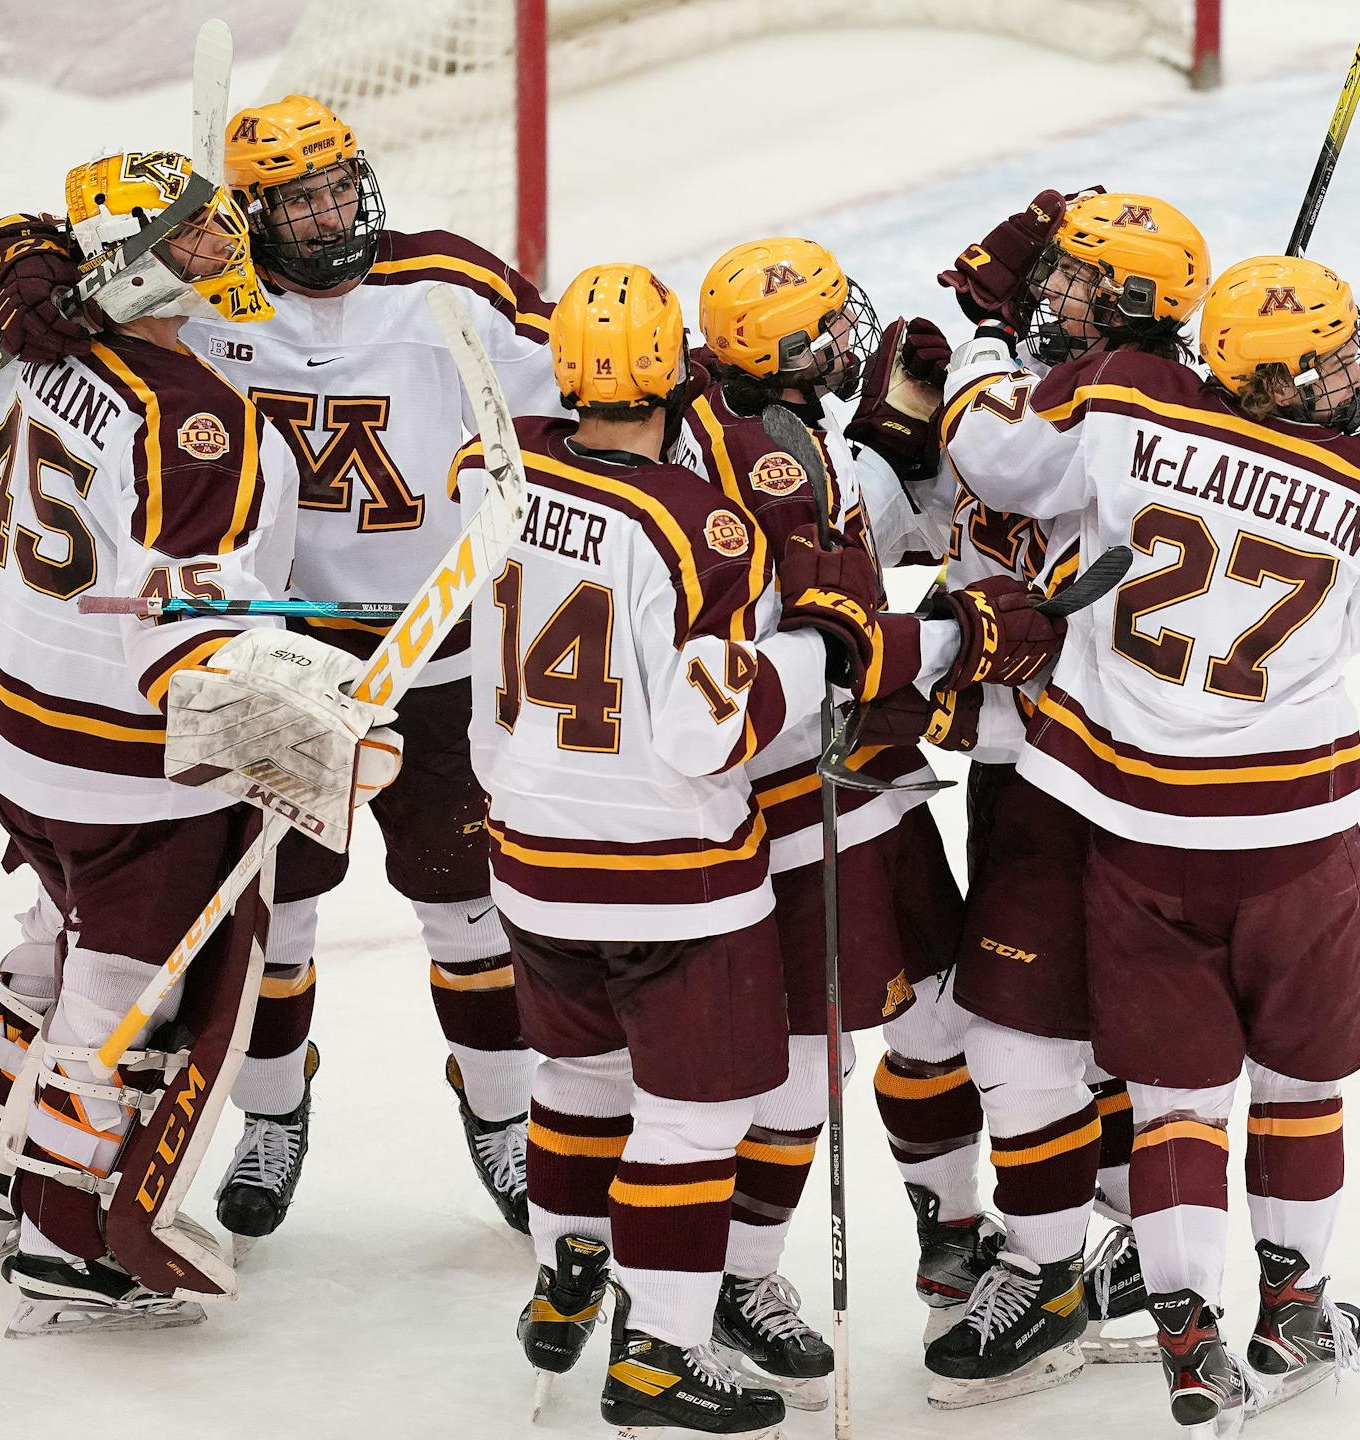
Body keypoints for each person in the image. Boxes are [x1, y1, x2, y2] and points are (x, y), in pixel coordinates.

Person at [0, 94, 564, 1247]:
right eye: (300, 197)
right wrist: (22, 261)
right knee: (272, 918)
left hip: (441, 659)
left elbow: (584, 394)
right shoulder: (209, 291)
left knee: (468, 910)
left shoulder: (452, 285)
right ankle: (271, 1121)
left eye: (342, 186)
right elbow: (71, 240)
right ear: (244, 215)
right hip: (275, 668)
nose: (331, 213)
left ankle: (502, 1121)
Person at [0, 148, 402, 1335]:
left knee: (55, 933)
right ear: (123, 267)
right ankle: (65, 1234)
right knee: (129, 995)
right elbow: (183, 648)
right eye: (192, 241)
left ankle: (1, 1152)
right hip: (118, 769)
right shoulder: (198, 424)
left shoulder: (13, 347)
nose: (225, 248)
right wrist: (314, 715)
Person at [945, 245, 1360, 1427]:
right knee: (1299, 1081)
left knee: (1176, 1097)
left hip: (1136, 826)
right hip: (1294, 832)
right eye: (1314, 364)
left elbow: (1001, 458)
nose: (1337, 377)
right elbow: (1357, 619)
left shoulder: (1124, 395)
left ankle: (1184, 1334)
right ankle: (1295, 1307)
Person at [467, 261, 923, 1436]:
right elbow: (708, 725)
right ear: (679, 366)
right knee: (704, 1115)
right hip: (669, 872)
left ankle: (569, 1274)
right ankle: (662, 1355)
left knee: (579, 1082)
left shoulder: (496, 465)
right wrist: (832, 641)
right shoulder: (695, 521)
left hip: (529, 851)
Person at [667, 237, 1065, 1400]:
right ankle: (741, 1276)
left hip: (864, 791)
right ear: (786, 356)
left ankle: (952, 1235)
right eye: (830, 332)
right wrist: (954, 638)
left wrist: (910, 439)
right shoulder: (760, 468)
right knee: (802, 1064)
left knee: (939, 1011)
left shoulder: (778, 432)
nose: (852, 342)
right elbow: (834, 646)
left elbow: (888, 516)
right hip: (794, 792)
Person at [918, 189, 1219, 1402]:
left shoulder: (1102, 397)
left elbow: (995, 452)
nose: (1055, 293)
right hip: (1066, 756)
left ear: (1138, 309)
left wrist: (979, 347)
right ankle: (1111, 1246)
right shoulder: (1164, 392)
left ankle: (1052, 1273)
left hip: (1091, 765)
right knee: (1063, 1030)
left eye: (1085, 283)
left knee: (1029, 1028)